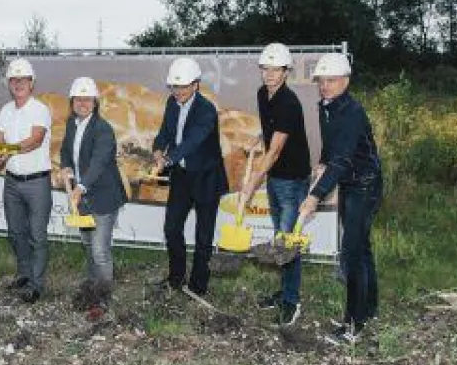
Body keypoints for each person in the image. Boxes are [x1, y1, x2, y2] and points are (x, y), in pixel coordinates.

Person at [297, 52, 382, 346]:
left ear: (345, 81)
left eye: (331, 81)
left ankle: (353, 325)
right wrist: (322, 162)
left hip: (365, 184)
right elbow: (332, 147)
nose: (325, 86)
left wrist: (314, 196)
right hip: (350, 182)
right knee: (362, 248)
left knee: (351, 253)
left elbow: (344, 159)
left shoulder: (352, 113)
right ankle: (368, 309)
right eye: (321, 81)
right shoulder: (326, 107)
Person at [240, 43, 311, 327]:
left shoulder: (289, 103)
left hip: (293, 179)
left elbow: (277, 150)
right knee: (280, 237)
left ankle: (291, 303)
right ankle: (284, 292)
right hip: (276, 177)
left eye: (275, 70)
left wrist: (251, 184)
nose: (269, 74)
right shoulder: (262, 94)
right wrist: (259, 136)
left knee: (286, 243)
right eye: (265, 69)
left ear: (286, 72)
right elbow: (271, 130)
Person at [152, 57, 229, 296]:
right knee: (171, 228)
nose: (177, 92)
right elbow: (165, 131)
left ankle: (198, 286)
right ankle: (176, 278)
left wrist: (168, 159)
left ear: (196, 85)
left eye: (183, 86)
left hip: (207, 178)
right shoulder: (172, 103)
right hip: (182, 177)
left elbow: (192, 141)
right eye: (174, 87)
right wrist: (157, 149)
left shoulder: (207, 110)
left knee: (203, 236)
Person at [58, 77, 127, 321]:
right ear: (72, 102)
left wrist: (81, 186)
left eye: (87, 99)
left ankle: (104, 297)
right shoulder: (71, 124)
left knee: (99, 250)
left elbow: (99, 162)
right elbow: (66, 150)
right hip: (83, 196)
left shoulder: (103, 129)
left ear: (95, 102)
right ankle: (91, 288)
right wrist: (66, 167)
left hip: (104, 196)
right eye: (78, 99)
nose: (82, 103)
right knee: (87, 243)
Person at [0, 58, 53, 304]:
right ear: (9, 84)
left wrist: (8, 149)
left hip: (37, 182)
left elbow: (36, 140)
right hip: (12, 181)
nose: (18, 83)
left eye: (23, 79)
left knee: (37, 235)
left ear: (31, 83)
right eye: (13, 80)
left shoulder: (40, 109)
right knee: (16, 232)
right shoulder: (5, 110)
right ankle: (24, 274)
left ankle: (37, 285)